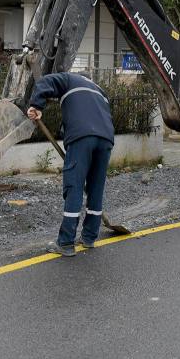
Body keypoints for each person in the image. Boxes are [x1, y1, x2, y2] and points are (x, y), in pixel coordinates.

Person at [27, 72, 115, 257]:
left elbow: (46, 81)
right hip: (106, 138)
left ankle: (66, 242)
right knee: (96, 188)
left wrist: (36, 105)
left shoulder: (69, 79)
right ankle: (89, 237)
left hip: (82, 136)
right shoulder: (99, 90)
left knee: (74, 186)